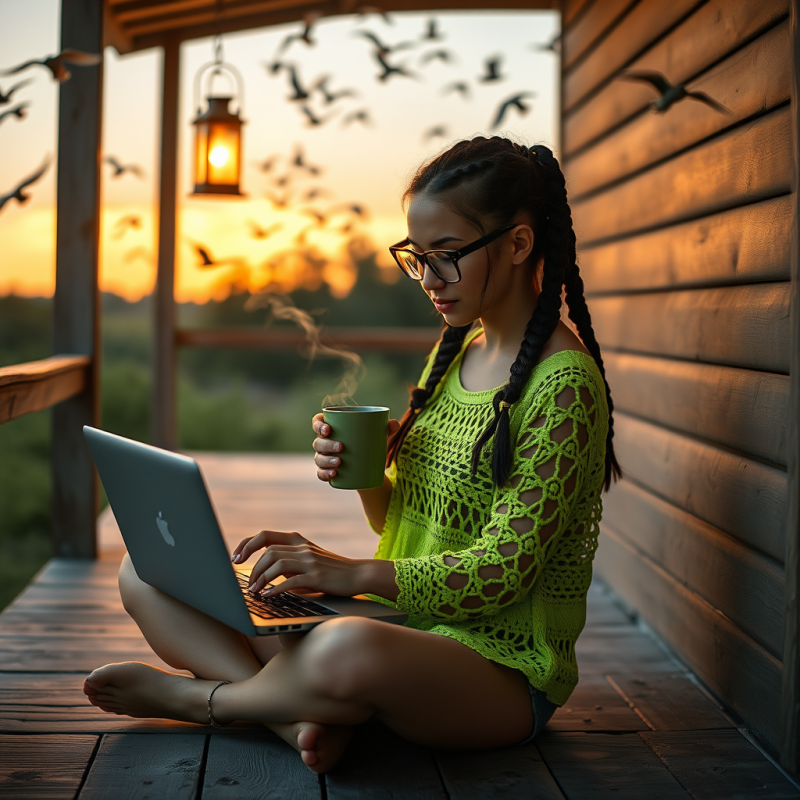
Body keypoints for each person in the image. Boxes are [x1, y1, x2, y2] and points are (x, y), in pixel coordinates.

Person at [82, 136, 621, 775]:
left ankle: (209, 700)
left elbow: (500, 572)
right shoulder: (461, 351)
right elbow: (402, 525)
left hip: (496, 671)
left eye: (445, 257)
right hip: (401, 625)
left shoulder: (563, 387)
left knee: (343, 647)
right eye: (416, 258)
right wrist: (368, 479)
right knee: (147, 572)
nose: (427, 279)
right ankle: (296, 716)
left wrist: (350, 575)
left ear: (518, 244)